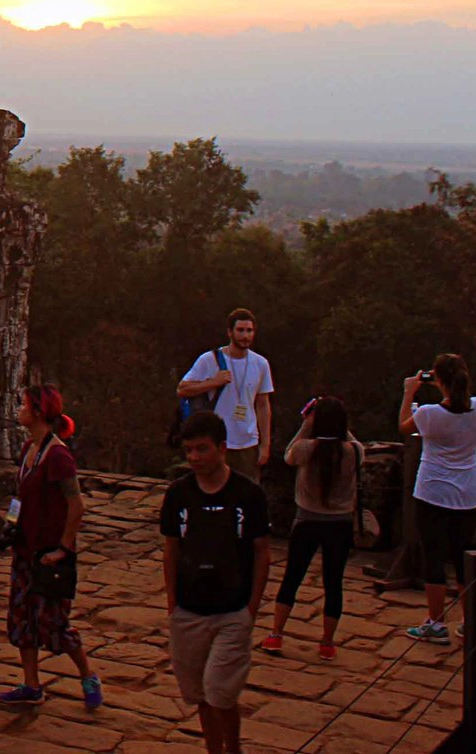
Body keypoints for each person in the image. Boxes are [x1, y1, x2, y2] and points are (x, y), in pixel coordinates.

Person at [162, 410, 272, 754]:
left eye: (202, 449)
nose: (194, 458)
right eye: (189, 450)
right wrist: (172, 604)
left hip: (232, 609)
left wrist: (252, 607)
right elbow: (171, 549)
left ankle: (233, 748)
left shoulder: (248, 494)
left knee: (220, 690)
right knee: (199, 695)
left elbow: (261, 552)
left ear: (222, 448)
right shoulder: (178, 494)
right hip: (189, 609)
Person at [0, 385, 103, 709]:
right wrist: (11, 526)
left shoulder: (57, 456)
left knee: (54, 623)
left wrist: (64, 548)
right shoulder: (31, 448)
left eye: (24, 404)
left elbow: (76, 505)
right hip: (26, 549)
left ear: (39, 412)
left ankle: (87, 674)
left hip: (49, 554)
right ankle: (31, 684)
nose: (19, 409)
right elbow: (21, 495)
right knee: (21, 618)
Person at [262, 396, 363, 659]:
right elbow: (354, 442)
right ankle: (328, 642)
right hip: (340, 523)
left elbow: (288, 455)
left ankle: (276, 635)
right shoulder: (353, 451)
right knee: (333, 582)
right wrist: (339, 425)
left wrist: (307, 423)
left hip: (307, 520)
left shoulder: (307, 449)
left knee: (292, 577)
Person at [400, 353, 476, 645]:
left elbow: (404, 426)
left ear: (437, 380)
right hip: (467, 493)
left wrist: (408, 393)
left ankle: (436, 623)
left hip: (433, 492)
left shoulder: (429, 413)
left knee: (434, 557)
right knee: (464, 559)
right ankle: (471, 620)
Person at [178, 308, 274, 480]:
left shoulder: (260, 364)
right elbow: (182, 389)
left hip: (248, 441)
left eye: (249, 331)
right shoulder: (209, 359)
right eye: (240, 330)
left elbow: (263, 404)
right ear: (230, 332)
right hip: (216, 441)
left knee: (247, 493)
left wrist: (265, 444)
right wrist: (212, 383)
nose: (245, 336)